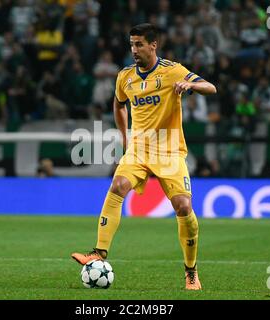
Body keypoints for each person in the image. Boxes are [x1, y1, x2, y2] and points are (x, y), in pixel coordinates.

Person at [71, 23, 217, 290]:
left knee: (183, 207)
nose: (134, 50)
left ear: (153, 45)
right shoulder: (125, 76)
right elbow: (118, 103)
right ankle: (99, 252)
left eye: (139, 44)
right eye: (131, 45)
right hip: (138, 149)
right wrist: (125, 137)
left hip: (170, 150)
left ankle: (191, 271)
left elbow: (211, 87)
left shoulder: (173, 71)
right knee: (117, 186)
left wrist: (189, 84)